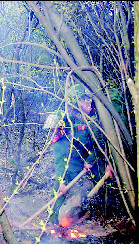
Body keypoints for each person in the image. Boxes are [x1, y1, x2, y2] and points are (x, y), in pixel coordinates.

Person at [46, 83, 111, 228]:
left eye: (88, 99)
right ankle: (53, 225)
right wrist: (61, 180)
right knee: (58, 192)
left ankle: (93, 219)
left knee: (90, 194)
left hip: (91, 166)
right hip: (70, 166)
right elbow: (60, 158)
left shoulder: (94, 121)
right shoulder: (64, 122)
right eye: (83, 99)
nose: (88, 103)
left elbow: (98, 146)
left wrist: (90, 160)